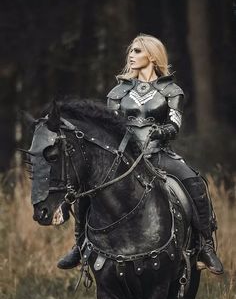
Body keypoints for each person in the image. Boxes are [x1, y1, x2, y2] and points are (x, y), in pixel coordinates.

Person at [57, 34, 223, 275]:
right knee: (88, 188)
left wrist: (159, 131)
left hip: (158, 153)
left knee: (195, 182)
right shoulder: (118, 92)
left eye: (136, 51)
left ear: (152, 55)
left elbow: (174, 126)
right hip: (124, 158)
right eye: (130, 52)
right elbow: (108, 125)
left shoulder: (171, 90)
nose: (131, 56)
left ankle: (205, 246)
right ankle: (80, 245)